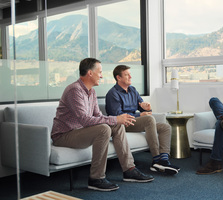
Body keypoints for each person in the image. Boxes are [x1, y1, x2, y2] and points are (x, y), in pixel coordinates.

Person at [51, 58, 154, 192]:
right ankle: (96, 178)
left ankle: (129, 169)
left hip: (81, 131)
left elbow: (98, 117)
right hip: (64, 135)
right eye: (99, 72)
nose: (101, 75)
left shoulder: (91, 92)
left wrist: (117, 120)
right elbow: (85, 120)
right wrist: (115, 118)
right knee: (104, 129)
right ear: (90, 73)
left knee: (117, 126)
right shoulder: (74, 90)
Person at [105, 65, 180, 175]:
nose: (130, 76)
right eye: (126, 74)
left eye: (130, 74)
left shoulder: (133, 90)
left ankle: (164, 159)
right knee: (148, 120)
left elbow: (143, 108)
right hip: (122, 125)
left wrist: (147, 107)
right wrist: (140, 115)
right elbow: (118, 116)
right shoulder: (113, 94)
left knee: (165, 127)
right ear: (118, 78)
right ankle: (156, 159)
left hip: (134, 121)